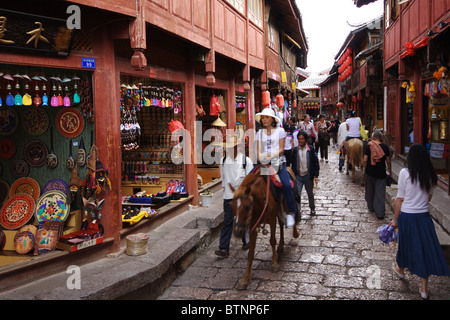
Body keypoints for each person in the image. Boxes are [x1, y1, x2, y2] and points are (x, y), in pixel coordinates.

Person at [390, 143, 450, 299]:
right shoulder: (431, 175)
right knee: (424, 250)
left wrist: (395, 219)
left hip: (408, 216)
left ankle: (401, 269)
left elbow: (399, 199)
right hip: (423, 217)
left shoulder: (405, 173)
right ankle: (424, 288)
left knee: (405, 245)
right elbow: (429, 197)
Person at [255, 107, 297, 227]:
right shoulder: (259, 133)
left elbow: (282, 149)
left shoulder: (280, 131)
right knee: (252, 185)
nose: (264, 119)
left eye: (267, 117)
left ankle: (291, 212)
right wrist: (261, 156)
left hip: (278, 163)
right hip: (264, 164)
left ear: (272, 119)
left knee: (286, 184)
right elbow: (258, 151)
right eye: (263, 117)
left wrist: (271, 155)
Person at [216, 136, 253, 257]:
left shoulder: (246, 161)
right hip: (228, 196)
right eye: (228, 148)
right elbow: (223, 177)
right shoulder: (223, 160)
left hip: (241, 197)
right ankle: (224, 248)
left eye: (232, 147)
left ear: (237, 147)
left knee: (242, 219)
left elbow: (250, 179)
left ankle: (246, 240)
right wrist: (224, 188)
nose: (230, 149)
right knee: (227, 221)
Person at [363, 130, 391, 219]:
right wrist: (390, 171)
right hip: (381, 173)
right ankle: (380, 213)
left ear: (373, 137)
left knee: (370, 190)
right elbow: (388, 161)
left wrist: (365, 169)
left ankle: (371, 207)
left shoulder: (369, 146)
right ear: (381, 138)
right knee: (380, 192)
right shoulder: (385, 147)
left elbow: (364, 160)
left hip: (370, 172)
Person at [291, 131, 319, 216]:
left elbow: (315, 162)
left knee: (310, 193)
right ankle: (298, 212)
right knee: (297, 194)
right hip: (298, 176)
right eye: (299, 139)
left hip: (308, 175)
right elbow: (293, 162)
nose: (301, 141)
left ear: (306, 139)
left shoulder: (311, 149)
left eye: (302, 139)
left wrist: (316, 175)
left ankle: (312, 208)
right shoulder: (295, 150)